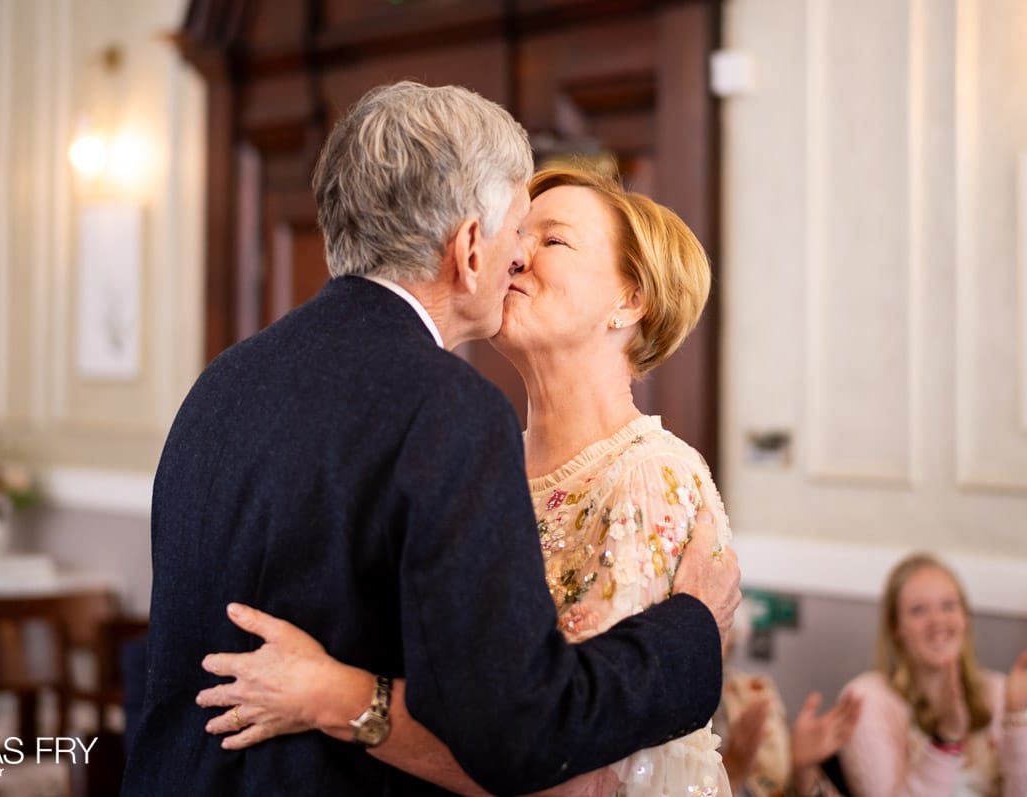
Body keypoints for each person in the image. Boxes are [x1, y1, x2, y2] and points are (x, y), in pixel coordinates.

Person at [122, 81, 740, 797]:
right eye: (519, 230)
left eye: (552, 238)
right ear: (472, 246)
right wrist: (694, 633)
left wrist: (337, 691)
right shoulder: (451, 415)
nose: (522, 258)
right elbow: (520, 730)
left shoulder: (221, 385)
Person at [837, 552, 1027, 795]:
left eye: (948, 605)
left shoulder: (999, 690)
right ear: (895, 627)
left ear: (965, 617)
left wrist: (1017, 722)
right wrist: (945, 741)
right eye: (919, 610)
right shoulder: (868, 699)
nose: (938, 621)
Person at [715, 615, 862, 797]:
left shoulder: (754, 691)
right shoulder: (673, 712)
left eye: (718, 625)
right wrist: (732, 774)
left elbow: (782, 788)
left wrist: (802, 768)